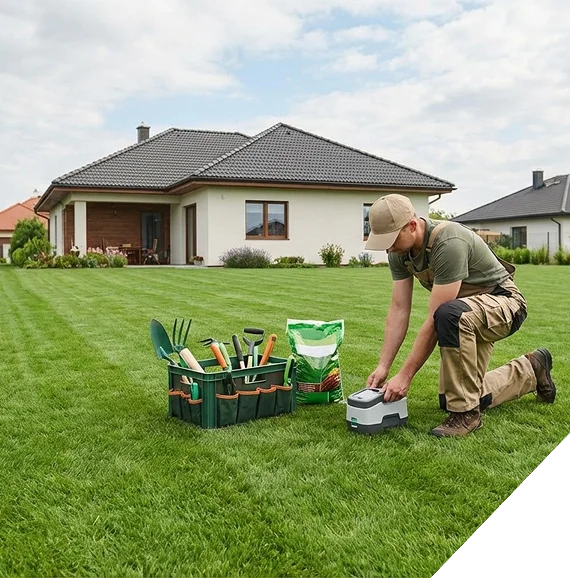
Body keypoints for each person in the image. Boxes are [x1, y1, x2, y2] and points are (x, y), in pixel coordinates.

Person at [364, 193, 556, 437]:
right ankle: (532, 368)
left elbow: (436, 318)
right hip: (466, 312)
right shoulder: (398, 253)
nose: (388, 247)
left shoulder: (448, 242)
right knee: (454, 395)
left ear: (412, 226)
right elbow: (399, 310)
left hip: (505, 304)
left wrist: (405, 376)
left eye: (391, 239)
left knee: (448, 317)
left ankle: (467, 415)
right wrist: (384, 367)